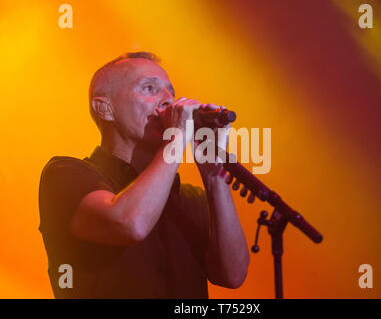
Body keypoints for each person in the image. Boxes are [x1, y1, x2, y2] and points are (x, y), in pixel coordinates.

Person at [38, 52, 250, 298]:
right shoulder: (66, 174)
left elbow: (233, 275)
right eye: (150, 89)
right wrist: (179, 136)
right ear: (105, 108)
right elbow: (130, 224)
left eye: (171, 92)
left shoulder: (191, 199)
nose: (168, 101)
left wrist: (214, 176)